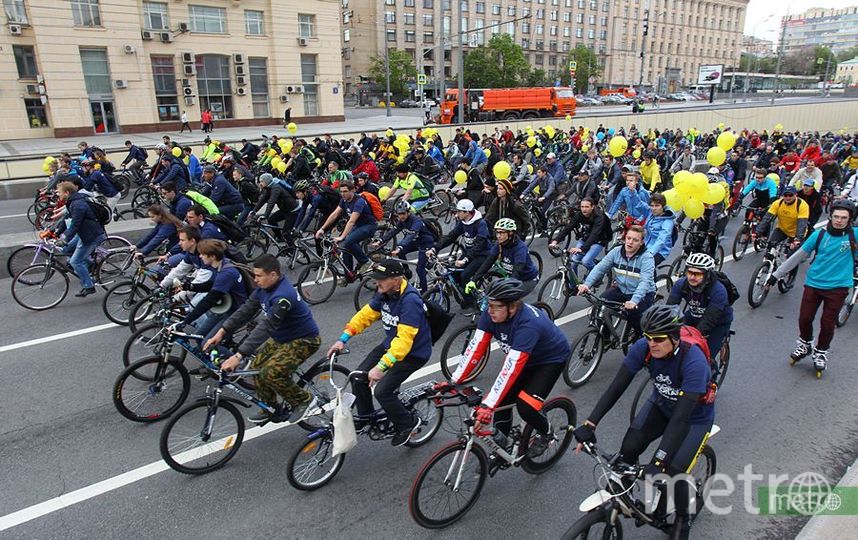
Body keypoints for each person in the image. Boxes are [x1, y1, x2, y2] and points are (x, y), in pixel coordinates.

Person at [573, 304, 715, 540]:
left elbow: (680, 419)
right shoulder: (644, 348)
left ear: (674, 338)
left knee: (673, 471)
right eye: (648, 337)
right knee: (628, 449)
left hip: (693, 418)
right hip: (660, 405)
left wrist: (658, 462)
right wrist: (590, 423)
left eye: (658, 339)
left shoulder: (694, 362)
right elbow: (616, 387)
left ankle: (682, 521)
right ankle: (622, 498)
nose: (652, 344)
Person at [443, 278, 572, 456]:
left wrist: (487, 405)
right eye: (489, 305)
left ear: (512, 307)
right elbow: (476, 347)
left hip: (550, 360)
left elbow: (511, 367)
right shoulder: (490, 314)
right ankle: (501, 449)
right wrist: (454, 380)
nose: (490, 311)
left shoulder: (528, 324)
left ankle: (547, 433)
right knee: (501, 401)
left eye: (496, 307)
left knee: (525, 406)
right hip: (524, 357)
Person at [327, 258, 432, 446]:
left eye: (382, 279)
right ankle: (367, 417)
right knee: (358, 377)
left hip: (413, 354)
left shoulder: (410, 301)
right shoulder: (385, 293)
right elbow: (365, 316)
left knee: (383, 391)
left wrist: (381, 367)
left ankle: (408, 424)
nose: (377, 282)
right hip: (391, 345)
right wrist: (342, 339)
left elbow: (404, 342)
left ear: (397, 280)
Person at [207, 254, 321, 423]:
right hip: (282, 337)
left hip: (304, 340)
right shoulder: (263, 288)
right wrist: (222, 331)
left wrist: (238, 356)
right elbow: (246, 309)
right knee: (256, 367)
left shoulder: (282, 297)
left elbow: (266, 326)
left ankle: (305, 400)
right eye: (255, 275)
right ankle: (271, 408)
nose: (255, 280)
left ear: (273, 275)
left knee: (271, 373)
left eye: (259, 276)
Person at [768, 200, 858, 374]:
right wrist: (775, 275)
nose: (839, 221)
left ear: (850, 219)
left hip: (838, 287)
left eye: (843, 218)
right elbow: (798, 256)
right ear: (831, 216)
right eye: (836, 217)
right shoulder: (819, 235)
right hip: (814, 283)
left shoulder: (854, 235)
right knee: (805, 318)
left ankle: (821, 352)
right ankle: (805, 344)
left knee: (827, 324)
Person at [577, 225, 655, 335]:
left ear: (641, 243)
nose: (630, 242)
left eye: (635, 240)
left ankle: (640, 338)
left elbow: (645, 282)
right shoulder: (616, 252)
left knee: (636, 320)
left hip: (642, 294)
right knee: (600, 307)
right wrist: (586, 284)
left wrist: (634, 301)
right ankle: (605, 338)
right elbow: (600, 268)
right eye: (628, 238)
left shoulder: (647, 258)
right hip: (621, 289)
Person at [176, 239, 248, 340]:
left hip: (237, 311)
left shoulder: (227, 273)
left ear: (213, 256)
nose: (200, 256)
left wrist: (186, 321)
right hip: (227, 307)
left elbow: (209, 300)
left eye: (203, 254)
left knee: (207, 343)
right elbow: (211, 285)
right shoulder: (222, 264)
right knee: (199, 336)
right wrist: (190, 286)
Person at [667, 253, 734, 360]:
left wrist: (693, 339)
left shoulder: (719, 291)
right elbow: (669, 309)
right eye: (689, 272)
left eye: (697, 274)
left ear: (707, 275)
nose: (692, 277)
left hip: (718, 322)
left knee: (704, 357)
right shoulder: (681, 284)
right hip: (694, 315)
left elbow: (709, 319)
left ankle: (712, 367)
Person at [426, 198, 491, 304]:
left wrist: (465, 259)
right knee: (454, 273)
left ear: (467, 212)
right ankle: (466, 296)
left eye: (459, 211)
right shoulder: (463, 222)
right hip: (469, 253)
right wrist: (435, 248)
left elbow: (480, 244)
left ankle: (473, 301)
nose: (457, 214)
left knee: (465, 275)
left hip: (482, 254)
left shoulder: (480, 224)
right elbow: (451, 236)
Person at [315, 178, 378, 279]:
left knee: (348, 242)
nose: (343, 194)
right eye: (341, 191)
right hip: (358, 226)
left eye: (345, 191)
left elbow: (351, 221)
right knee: (345, 247)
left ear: (352, 190)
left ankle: (366, 262)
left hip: (369, 226)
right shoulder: (343, 200)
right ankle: (348, 275)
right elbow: (334, 214)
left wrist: (342, 237)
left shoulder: (359, 201)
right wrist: (322, 228)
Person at [54, 181, 106, 297]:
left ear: (67, 193)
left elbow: (75, 225)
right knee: (66, 250)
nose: (58, 194)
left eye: (59, 192)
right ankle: (91, 265)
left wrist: (65, 239)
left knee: (75, 261)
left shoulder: (78, 204)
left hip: (92, 236)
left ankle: (89, 286)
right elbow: (66, 219)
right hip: (83, 234)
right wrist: (55, 232)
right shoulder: (72, 201)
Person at [468, 218, 540, 297]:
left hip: (527, 279)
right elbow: (488, 262)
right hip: (512, 276)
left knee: (508, 298)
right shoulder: (499, 244)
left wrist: (507, 287)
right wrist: (473, 280)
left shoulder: (520, 248)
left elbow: (517, 271)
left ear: (510, 233)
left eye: (501, 233)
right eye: (497, 232)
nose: (498, 236)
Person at [373, 201, 435, 292]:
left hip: (425, 243)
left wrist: (400, 247)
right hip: (416, 242)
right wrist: (380, 241)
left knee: (420, 269)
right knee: (401, 253)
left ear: (408, 212)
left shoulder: (416, 221)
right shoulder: (402, 221)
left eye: (403, 213)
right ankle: (406, 271)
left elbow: (410, 236)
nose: (401, 216)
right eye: (399, 214)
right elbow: (393, 231)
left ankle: (425, 293)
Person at [549, 197, 612, 275]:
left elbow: (595, 234)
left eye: (587, 207)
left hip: (599, 239)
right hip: (586, 238)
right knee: (573, 263)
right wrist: (556, 240)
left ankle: (598, 275)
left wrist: (581, 249)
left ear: (592, 207)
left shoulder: (599, 217)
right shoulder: (579, 214)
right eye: (582, 207)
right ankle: (574, 283)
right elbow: (569, 227)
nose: (584, 209)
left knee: (586, 261)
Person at [251, 173, 299, 239]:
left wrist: (265, 215)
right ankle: (280, 238)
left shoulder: (276, 188)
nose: (260, 183)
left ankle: (292, 244)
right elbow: (262, 200)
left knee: (286, 233)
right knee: (271, 220)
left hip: (292, 210)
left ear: (267, 181)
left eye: (262, 181)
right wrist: (254, 211)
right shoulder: (269, 187)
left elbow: (271, 202)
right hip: (285, 209)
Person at [640, 192, 676, 266]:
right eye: (652, 206)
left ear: (663, 206)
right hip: (646, 245)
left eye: (657, 206)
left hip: (660, 251)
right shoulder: (652, 214)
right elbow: (639, 204)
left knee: (647, 265)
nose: (654, 208)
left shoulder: (668, 222)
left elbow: (662, 239)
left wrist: (650, 253)